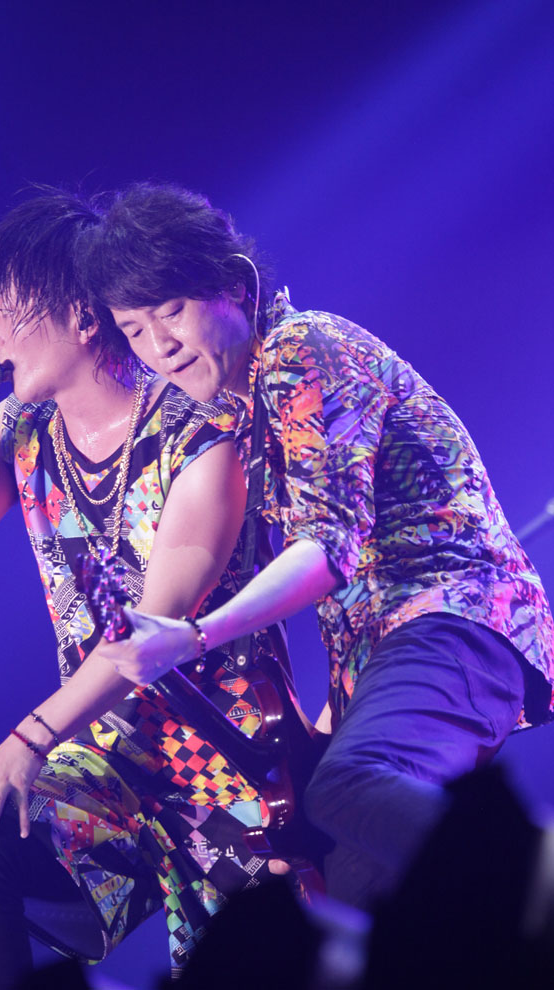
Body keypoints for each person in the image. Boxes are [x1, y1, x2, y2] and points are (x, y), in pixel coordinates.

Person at [81, 181, 554, 908]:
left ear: (233, 285)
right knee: (358, 884)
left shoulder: (304, 348)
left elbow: (328, 550)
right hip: (395, 649)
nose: (160, 346)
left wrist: (193, 635)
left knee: (350, 786)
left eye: (170, 310)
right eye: (134, 329)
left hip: (452, 619)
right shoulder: (243, 407)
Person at [0, 189, 294, 988]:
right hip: (110, 763)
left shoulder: (197, 434)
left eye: (9, 309)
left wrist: (26, 740)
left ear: (82, 317)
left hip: (233, 768)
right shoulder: (20, 429)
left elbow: (153, 628)